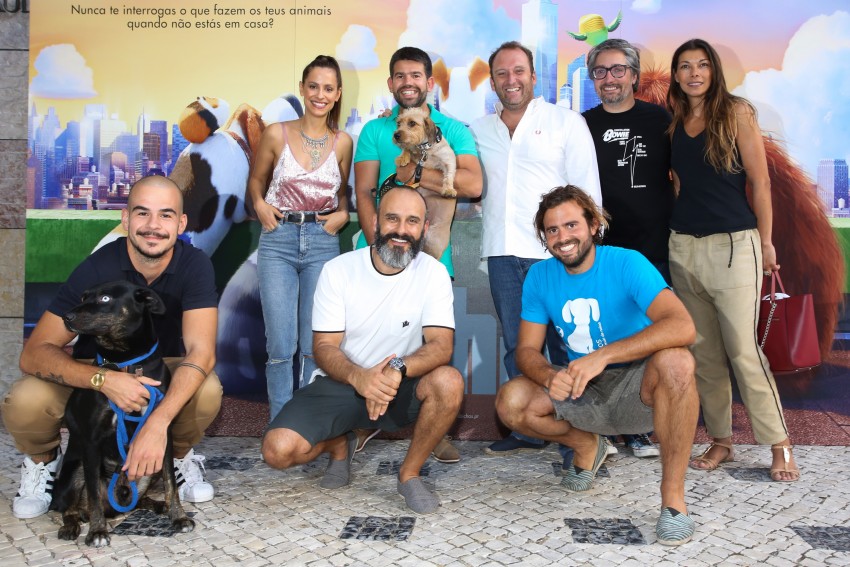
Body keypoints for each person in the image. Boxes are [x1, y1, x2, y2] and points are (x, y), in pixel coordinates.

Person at [2, 175, 222, 519]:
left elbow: (202, 352)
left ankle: (177, 457)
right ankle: (43, 464)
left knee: (206, 388)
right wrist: (103, 380)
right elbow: (34, 352)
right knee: (27, 399)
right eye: (142, 213)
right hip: (95, 366)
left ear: (180, 224)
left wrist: (157, 424)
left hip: (156, 366)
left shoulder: (194, 265)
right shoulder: (99, 267)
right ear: (126, 219)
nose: (153, 226)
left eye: (165, 215)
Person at [495, 185, 699, 545]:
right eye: (552, 230)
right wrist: (548, 375)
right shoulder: (540, 276)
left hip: (640, 390)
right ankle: (587, 446)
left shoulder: (627, 262)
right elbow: (526, 350)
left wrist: (602, 356)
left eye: (571, 225)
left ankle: (673, 501)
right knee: (512, 401)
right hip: (583, 389)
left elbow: (683, 326)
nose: (563, 237)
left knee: (678, 361)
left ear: (593, 225)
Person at [261, 186, 464, 514]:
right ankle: (340, 444)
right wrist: (359, 377)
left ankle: (409, 474)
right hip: (342, 384)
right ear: (374, 222)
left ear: (424, 228)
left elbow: (442, 346)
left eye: (412, 221)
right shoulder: (338, 270)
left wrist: (396, 369)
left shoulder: (434, 273)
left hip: (399, 386)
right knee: (277, 451)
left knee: (449, 382)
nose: (401, 230)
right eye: (392, 219)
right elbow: (323, 347)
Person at [666, 38, 798, 482]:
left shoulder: (737, 113)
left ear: (714, 71)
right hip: (684, 247)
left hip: (734, 247)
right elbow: (681, 184)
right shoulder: (676, 120)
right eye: (685, 66)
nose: (694, 73)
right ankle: (721, 440)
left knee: (744, 351)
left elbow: (760, 182)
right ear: (676, 74)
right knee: (704, 354)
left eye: (702, 65)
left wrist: (767, 242)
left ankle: (779, 443)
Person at [470, 41, 601, 460]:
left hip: (556, 255)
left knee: (566, 347)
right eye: (502, 73)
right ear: (493, 82)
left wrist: (585, 253)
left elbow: (588, 193)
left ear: (533, 76)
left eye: (518, 71)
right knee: (518, 347)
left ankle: (578, 436)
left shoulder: (566, 122)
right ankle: (527, 427)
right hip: (502, 254)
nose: (511, 80)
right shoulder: (477, 131)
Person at [352, 46, 482, 463]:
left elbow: (473, 184)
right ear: (391, 83)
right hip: (379, 256)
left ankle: (433, 429)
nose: (407, 83)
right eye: (400, 76)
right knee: (369, 342)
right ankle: (361, 422)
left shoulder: (453, 130)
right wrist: (375, 244)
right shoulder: (375, 131)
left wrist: (415, 174)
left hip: (433, 259)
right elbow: (364, 191)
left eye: (415, 76)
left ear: (429, 82)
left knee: (431, 348)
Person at [583, 38, 675, 459]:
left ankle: (638, 428)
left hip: (654, 250)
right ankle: (600, 427)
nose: (610, 78)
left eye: (618, 69)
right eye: (600, 71)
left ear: (634, 75)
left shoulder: (660, 120)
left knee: (647, 341)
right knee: (604, 338)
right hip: (603, 252)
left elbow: (682, 176)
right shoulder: (582, 125)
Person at [248, 55, 353, 421]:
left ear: (337, 94)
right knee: (280, 346)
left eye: (328, 88)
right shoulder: (276, 133)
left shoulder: (343, 142)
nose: (320, 95)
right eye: (313, 87)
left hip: (323, 243)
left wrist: (343, 214)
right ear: (302, 89)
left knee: (315, 346)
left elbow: (343, 195)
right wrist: (259, 204)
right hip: (278, 239)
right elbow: (256, 180)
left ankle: (306, 427)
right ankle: (280, 426)